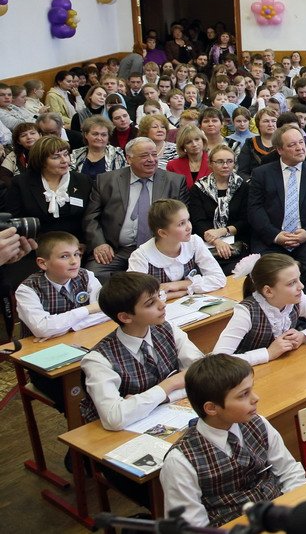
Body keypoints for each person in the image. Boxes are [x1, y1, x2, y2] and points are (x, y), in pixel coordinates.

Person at [160, 354, 306, 527]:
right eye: (243, 395)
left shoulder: (258, 423)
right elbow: (192, 527)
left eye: (251, 389)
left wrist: (295, 511)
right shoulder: (180, 462)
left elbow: (289, 471)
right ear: (211, 408)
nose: (255, 398)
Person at [79, 271, 203, 429]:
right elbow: (114, 418)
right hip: (124, 435)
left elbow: (204, 375)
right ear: (125, 317)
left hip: (163, 416)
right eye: (150, 303)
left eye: (159, 296)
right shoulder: (98, 359)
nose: (162, 304)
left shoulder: (167, 329)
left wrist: (163, 398)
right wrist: (171, 383)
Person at [16, 231, 108, 411]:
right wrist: (88, 310)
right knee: (79, 401)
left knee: (109, 383)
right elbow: (42, 329)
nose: (74, 261)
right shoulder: (27, 290)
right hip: (45, 361)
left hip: (87, 349)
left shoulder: (86, 276)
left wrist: (65, 327)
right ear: (43, 263)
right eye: (65, 256)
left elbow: (106, 311)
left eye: (77, 254)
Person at [83, 137, 189, 281]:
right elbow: (91, 217)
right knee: (93, 277)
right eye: (144, 156)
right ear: (129, 159)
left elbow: (182, 220)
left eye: (154, 154)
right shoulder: (106, 181)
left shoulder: (174, 182)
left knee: (160, 280)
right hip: (115, 251)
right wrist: (99, 243)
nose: (151, 159)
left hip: (159, 249)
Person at [247, 124, 306, 300]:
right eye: (292, 145)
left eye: (301, 142)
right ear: (279, 150)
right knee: (269, 271)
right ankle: (276, 312)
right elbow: (255, 209)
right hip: (271, 238)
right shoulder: (261, 174)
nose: (300, 148)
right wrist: (276, 235)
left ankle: (304, 313)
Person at [213, 253, 306, 366]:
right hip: (247, 374)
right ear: (268, 291)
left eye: (299, 279)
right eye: (291, 283)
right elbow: (218, 360)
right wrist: (268, 353)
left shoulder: (298, 299)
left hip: (282, 367)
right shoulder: (246, 312)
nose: (301, 286)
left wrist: (303, 336)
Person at [128, 199, 226, 299]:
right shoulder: (141, 256)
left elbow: (219, 279)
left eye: (188, 220)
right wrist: (184, 291)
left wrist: (176, 286)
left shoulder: (194, 242)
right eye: (181, 223)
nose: (189, 227)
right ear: (163, 233)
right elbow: (135, 296)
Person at [6, 135, 92, 243]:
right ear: (41, 161)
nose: (64, 160)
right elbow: (14, 221)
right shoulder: (21, 183)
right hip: (35, 245)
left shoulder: (83, 181)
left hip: (76, 244)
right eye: (56, 157)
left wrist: (83, 244)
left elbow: (90, 219)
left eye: (66, 154)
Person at [189, 144, 249, 270]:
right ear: (210, 164)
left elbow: (245, 220)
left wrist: (222, 231)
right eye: (220, 162)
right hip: (206, 244)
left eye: (229, 161)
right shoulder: (199, 188)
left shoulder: (243, 186)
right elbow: (198, 221)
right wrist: (217, 241)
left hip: (237, 243)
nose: (225, 165)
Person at [71, 116, 127, 181]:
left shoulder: (117, 154)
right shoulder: (76, 154)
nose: (99, 138)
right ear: (86, 135)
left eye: (103, 135)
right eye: (95, 134)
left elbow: (122, 180)